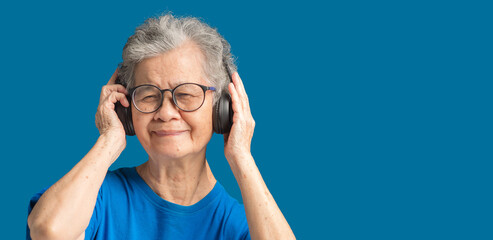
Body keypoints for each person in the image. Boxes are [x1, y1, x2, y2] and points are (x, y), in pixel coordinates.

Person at [26, 13, 295, 240]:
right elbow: (49, 231)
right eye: (148, 95)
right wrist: (109, 140)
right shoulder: (97, 198)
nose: (166, 113)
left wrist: (241, 156)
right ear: (126, 109)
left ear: (221, 108)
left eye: (187, 94)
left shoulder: (240, 223)